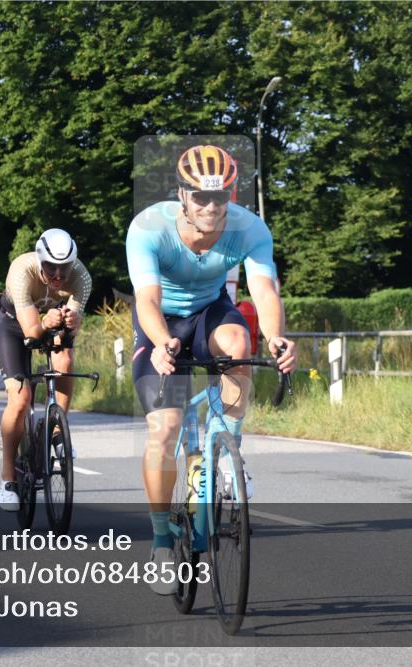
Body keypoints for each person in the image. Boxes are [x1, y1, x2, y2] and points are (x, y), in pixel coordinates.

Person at [125, 144, 296, 594]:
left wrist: (276, 337)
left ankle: (227, 453)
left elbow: (263, 288)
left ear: (231, 195)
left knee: (241, 344)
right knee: (165, 429)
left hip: (210, 314)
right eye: (200, 197)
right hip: (161, 324)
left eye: (219, 198)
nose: (210, 207)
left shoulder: (250, 228)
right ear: (181, 194)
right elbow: (146, 300)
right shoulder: (148, 228)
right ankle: (162, 540)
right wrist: (162, 345)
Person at [0, 228, 92, 511]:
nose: (59, 275)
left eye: (65, 267)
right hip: (14, 325)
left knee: (65, 360)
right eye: (51, 267)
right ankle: (8, 477)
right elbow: (32, 333)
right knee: (20, 399)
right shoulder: (20, 271)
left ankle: (57, 429)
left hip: (50, 319)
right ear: (40, 260)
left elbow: (69, 331)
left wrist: (72, 322)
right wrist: (47, 324)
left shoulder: (81, 276)